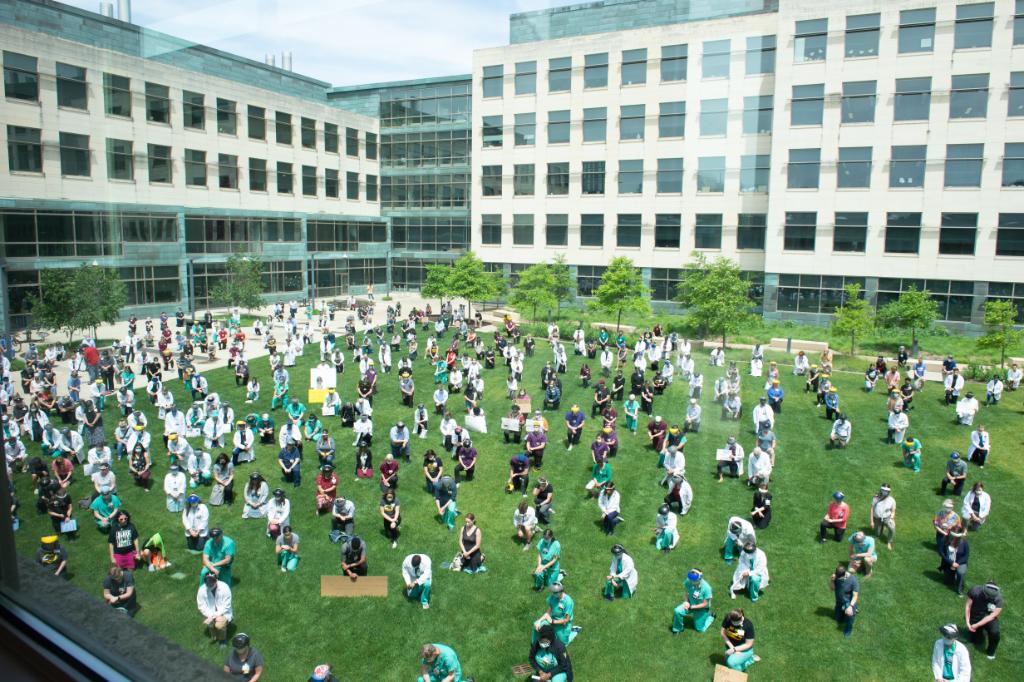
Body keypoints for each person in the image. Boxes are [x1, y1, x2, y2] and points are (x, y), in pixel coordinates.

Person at [965, 582, 1002, 661]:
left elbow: (992, 615)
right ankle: (982, 631)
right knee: (977, 641)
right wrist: (968, 623)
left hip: (988, 617)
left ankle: (991, 652)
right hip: (975, 615)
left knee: (994, 632)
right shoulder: (975, 591)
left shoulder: (998, 598)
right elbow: (968, 606)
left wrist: (977, 625)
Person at [672, 568, 713, 634]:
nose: (691, 581)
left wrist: (693, 607)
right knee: (677, 611)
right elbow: (686, 592)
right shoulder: (689, 581)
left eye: (694, 580)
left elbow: (705, 604)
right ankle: (677, 629)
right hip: (690, 603)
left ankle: (711, 616)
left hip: (702, 608)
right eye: (690, 579)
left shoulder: (707, 588)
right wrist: (686, 601)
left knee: (700, 629)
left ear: (700, 578)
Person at [197, 571, 232, 648]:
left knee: (219, 625)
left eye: (212, 582)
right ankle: (213, 634)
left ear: (216, 580)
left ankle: (222, 640)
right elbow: (201, 606)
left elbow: (226, 606)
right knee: (212, 625)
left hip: (223, 613)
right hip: (209, 613)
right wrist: (211, 616)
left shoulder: (224, 587)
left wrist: (214, 616)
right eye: (207, 582)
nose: (209, 584)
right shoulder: (202, 590)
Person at [830, 563, 859, 638]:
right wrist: (832, 581)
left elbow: (855, 595)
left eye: (839, 578)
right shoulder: (836, 576)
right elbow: (832, 589)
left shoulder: (853, 580)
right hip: (839, 601)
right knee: (838, 619)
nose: (838, 579)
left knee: (850, 615)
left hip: (848, 602)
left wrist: (851, 606)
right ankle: (843, 611)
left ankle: (848, 630)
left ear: (845, 575)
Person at [939, 530, 969, 596]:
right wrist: (951, 562)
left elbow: (966, 556)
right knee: (948, 582)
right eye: (953, 536)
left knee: (960, 573)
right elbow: (941, 553)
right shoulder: (944, 540)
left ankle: (959, 589)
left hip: (960, 563)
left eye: (957, 536)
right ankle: (952, 576)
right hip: (949, 562)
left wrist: (957, 563)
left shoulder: (964, 542)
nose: (955, 538)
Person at [870, 485, 896, 551]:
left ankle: (889, 541)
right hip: (877, 518)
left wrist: (892, 519)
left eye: (886, 491)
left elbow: (893, 510)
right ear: (881, 490)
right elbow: (872, 509)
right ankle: (880, 529)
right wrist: (872, 521)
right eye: (883, 490)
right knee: (878, 534)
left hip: (887, 518)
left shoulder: (891, 500)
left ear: (889, 492)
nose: (884, 492)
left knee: (892, 529)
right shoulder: (875, 498)